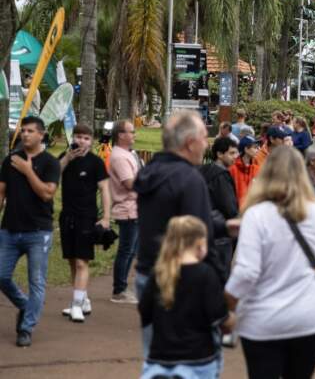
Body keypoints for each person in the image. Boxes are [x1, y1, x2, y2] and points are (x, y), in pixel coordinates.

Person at [225, 146, 315, 379]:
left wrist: (227, 304)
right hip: (311, 315)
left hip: (265, 318)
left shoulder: (257, 214)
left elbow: (246, 272)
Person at [134, 110, 220, 358]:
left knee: (155, 357)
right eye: (204, 137)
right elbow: (201, 236)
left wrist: (224, 226)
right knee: (192, 360)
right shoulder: (190, 179)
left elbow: (167, 218)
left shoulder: (151, 171)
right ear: (190, 143)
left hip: (148, 272)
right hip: (182, 279)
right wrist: (218, 281)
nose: (206, 144)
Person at [139, 215, 234, 379]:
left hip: (160, 357)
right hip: (198, 358)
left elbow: (144, 312)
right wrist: (233, 320)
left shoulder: (159, 274)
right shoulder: (206, 274)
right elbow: (219, 317)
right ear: (200, 244)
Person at [0, 116, 60, 347]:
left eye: (30, 131)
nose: (25, 134)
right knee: (1, 276)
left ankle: (26, 328)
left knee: (36, 281)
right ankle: (25, 306)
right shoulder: (10, 160)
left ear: (41, 135)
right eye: (23, 130)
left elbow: (46, 193)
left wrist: (27, 170)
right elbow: (1, 193)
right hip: (9, 231)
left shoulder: (50, 163)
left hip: (38, 232)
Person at [58, 124, 112, 322]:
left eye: (86, 138)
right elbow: (53, 175)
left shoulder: (96, 162)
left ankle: (77, 305)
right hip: (67, 216)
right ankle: (83, 299)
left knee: (82, 261)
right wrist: (67, 158)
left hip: (86, 217)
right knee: (72, 261)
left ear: (91, 141)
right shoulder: (65, 157)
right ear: (72, 138)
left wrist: (106, 218)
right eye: (78, 137)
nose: (81, 141)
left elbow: (105, 189)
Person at [109, 119, 141, 305]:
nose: (134, 134)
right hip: (127, 209)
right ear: (121, 135)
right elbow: (129, 183)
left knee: (130, 250)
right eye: (131, 131)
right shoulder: (120, 157)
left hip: (133, 208)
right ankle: (118, 290)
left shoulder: (126, 154)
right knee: (126, 250)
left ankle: (121, 287)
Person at [199, 137, 240, 280]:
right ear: (219, 154)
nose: (235, 157)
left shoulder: (205, 169)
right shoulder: (221, 175)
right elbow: (229, 208)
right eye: (231, 153)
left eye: (236, 153)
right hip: (220, 235)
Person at [229, 136, 261, 209]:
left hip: (253, 210)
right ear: (246, 149)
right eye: (255, 147)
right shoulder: (232, 169)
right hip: (236, 211)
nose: (258, 149)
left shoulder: (257, 169)